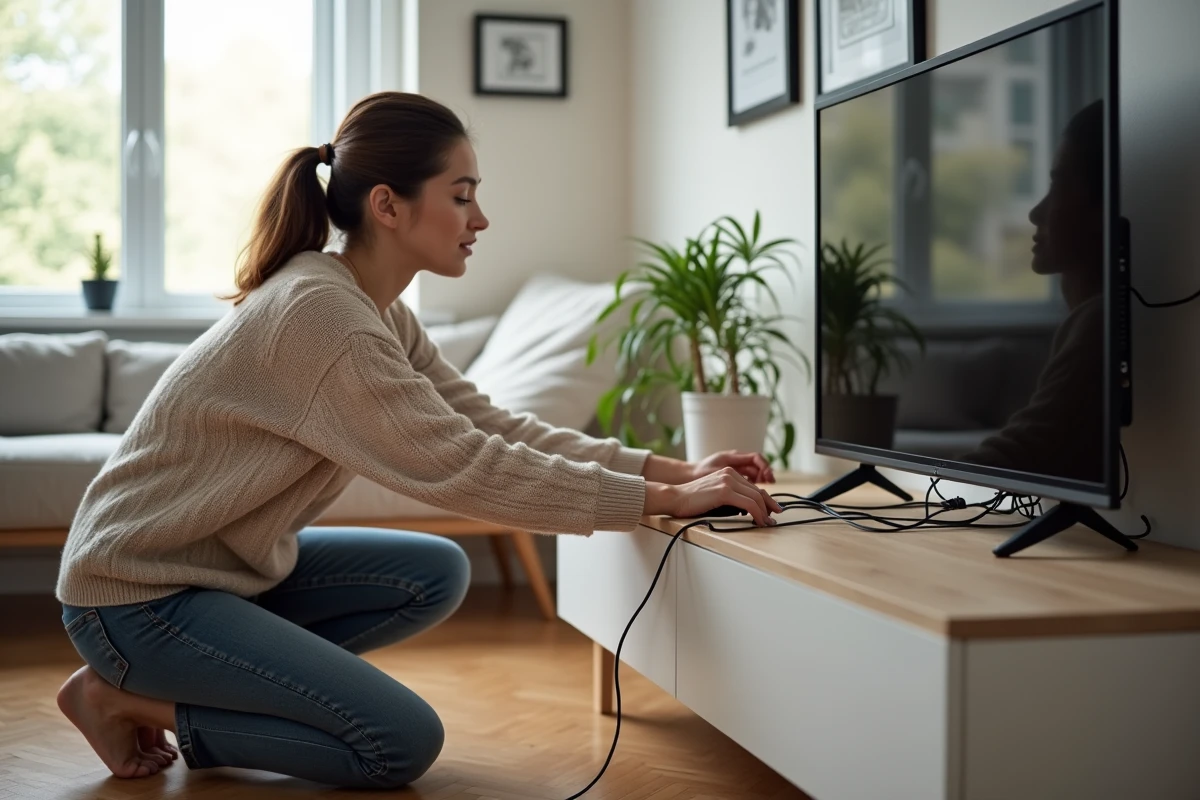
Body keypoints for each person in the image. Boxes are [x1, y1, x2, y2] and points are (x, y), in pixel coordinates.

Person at [53, 91, 783, 789]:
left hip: (217, 573)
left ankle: (217, 678)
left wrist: (677, 469)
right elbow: (463, 465)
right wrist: (656, 499)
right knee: (395, 741)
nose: (481, 218)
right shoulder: (324, 318)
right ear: (388, 206)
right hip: (136, 598)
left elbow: (489, 425)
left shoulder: (372, 307)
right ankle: (124, 699)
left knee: (431, 571)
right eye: (462, 195)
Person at [960, 100, 1105, 483]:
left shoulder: (1101, 322)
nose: (1035, 213)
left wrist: (929, 479)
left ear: (1105, 204)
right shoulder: (1093, 316)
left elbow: (1026, 449)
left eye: (1058, 184)